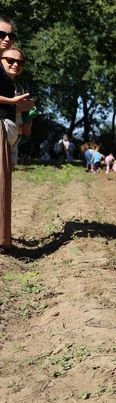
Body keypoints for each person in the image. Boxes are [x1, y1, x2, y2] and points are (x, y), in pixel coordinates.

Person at [0, 47, 31, 254]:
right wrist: (12, 102)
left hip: (12, 135)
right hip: (1, 130)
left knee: (5, 185)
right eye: (10, 60)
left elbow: (28, 110)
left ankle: (3, 237)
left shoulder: (18, 84)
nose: (15, 64)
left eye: (20, 62)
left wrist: (27, 118)